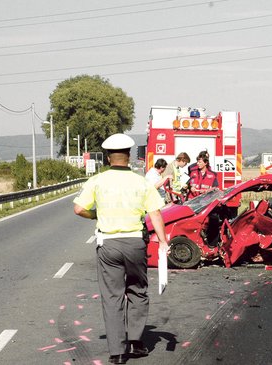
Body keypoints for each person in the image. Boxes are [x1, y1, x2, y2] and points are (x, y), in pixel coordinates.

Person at [73, 133, 169, 365]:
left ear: (108, 158)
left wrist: (96, 213)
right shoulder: (141, 182)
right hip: (135, 242)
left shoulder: (98, 181)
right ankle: (136, 342)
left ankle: (117, 352)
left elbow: (78, 209)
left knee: (112, 296)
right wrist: (164, 242)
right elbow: (155, 213)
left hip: (108, 245)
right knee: (137, 290)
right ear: (129, 156)